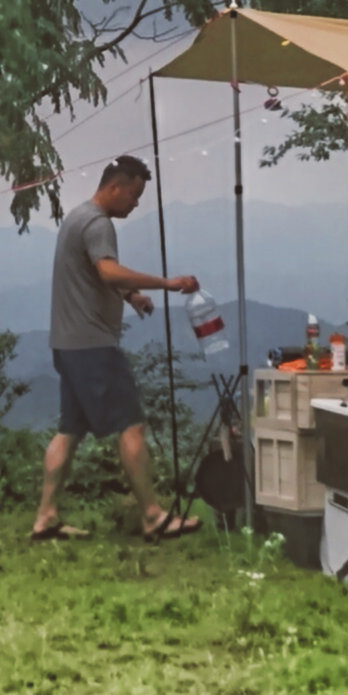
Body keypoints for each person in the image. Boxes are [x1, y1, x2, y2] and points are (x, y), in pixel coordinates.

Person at [32, 158, 205, 543]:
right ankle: (153, 516)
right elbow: (107, 271)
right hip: (93, 346)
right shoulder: (98, 223)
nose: (136, 203)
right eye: (134, 194)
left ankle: (46, 517)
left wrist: (131, 295)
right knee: (132, 424)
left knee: (69, 430)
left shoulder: (77, 217)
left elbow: (92, 273)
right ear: (115, 187)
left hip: (67, 343)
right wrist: (167, 283)